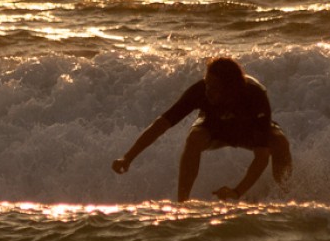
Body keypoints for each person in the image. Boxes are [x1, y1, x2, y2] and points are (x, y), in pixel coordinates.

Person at [112, 57, 292, 202]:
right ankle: (182, 202)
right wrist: (128, 157)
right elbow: (162, 124)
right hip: (213, 129)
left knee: (280, 142)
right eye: (207, 84)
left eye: (213, 88)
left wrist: (237, 192)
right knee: (195, 137)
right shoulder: (200, 91)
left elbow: (261, 158)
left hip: (248, 131)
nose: (207, 91)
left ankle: (284, 197)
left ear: (230, 89)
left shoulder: (255, 96)